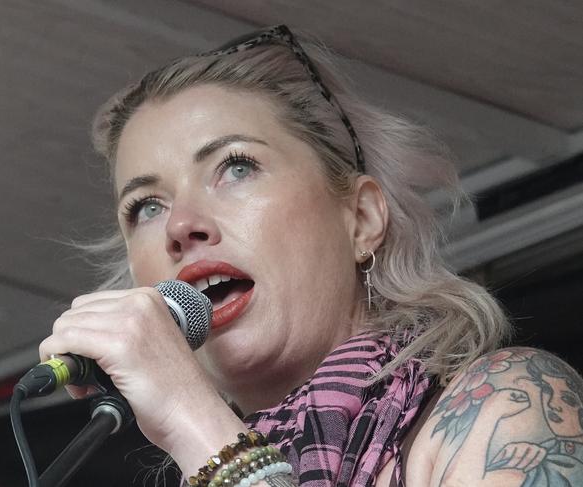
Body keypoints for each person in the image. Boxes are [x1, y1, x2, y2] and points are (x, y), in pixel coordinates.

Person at [39, 25, 583, 486]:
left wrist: (190, 418)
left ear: (362, 219)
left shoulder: (508, 405)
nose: (181, 226)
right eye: (146, 206)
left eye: (236, 168)